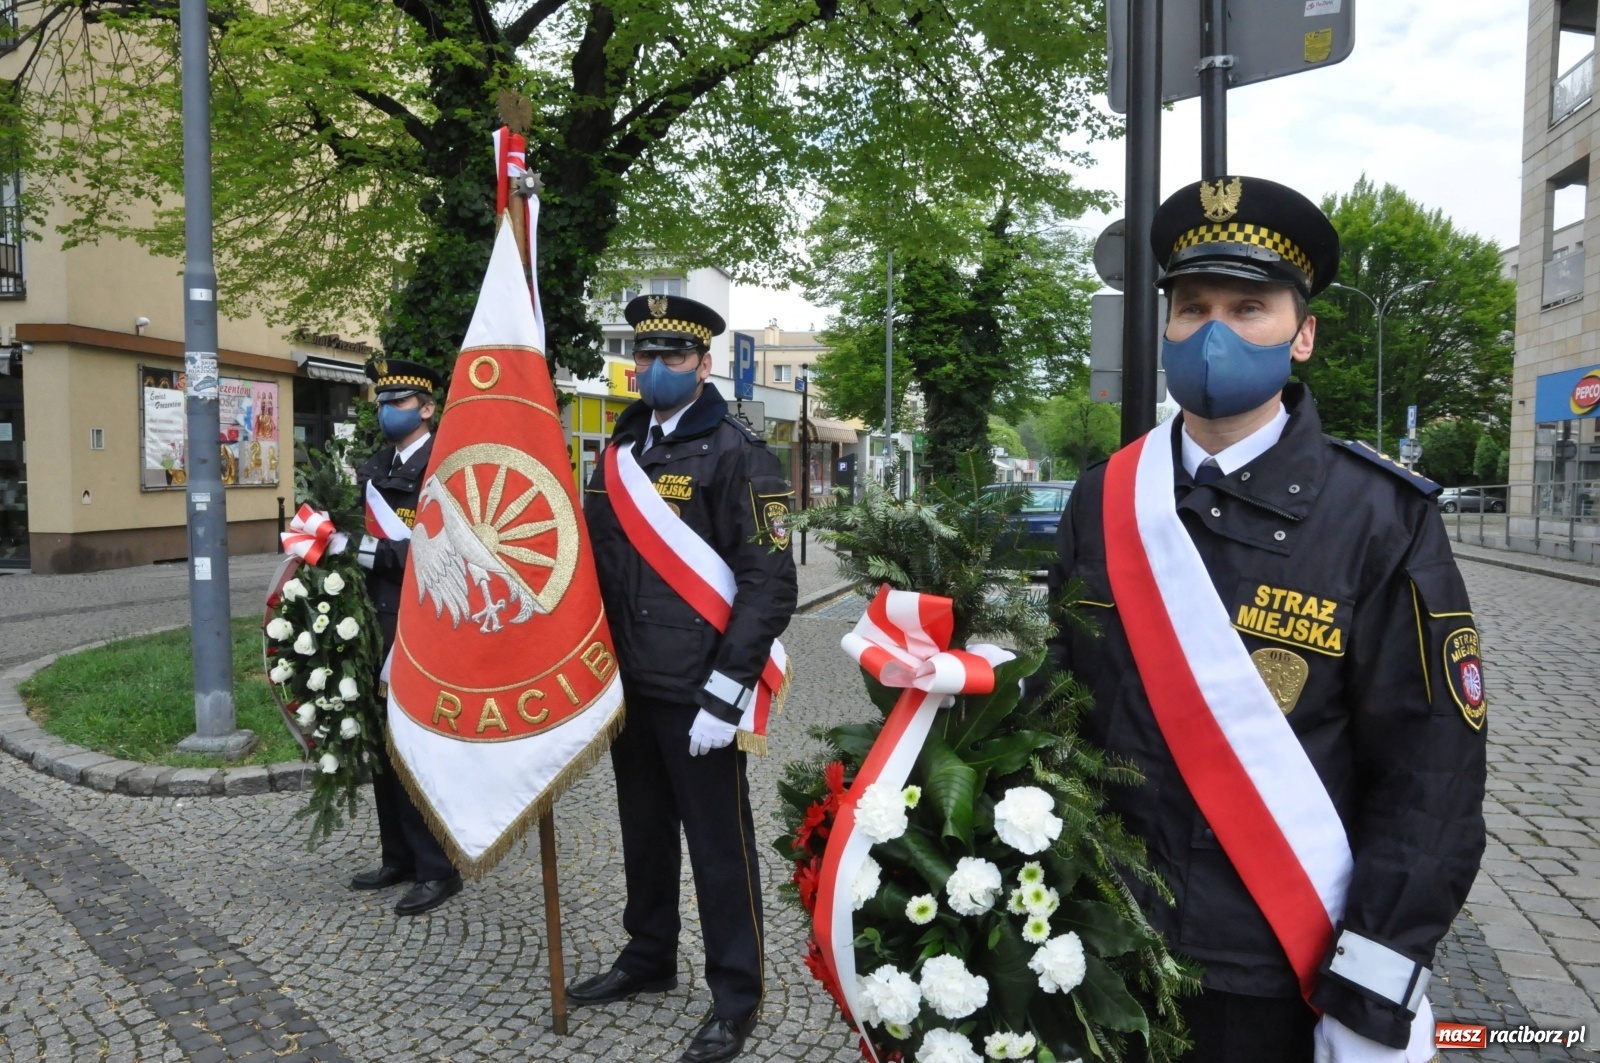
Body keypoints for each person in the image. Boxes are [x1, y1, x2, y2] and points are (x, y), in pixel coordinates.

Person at [1041, 177, 1486, 1062]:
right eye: (1192, 305)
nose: (1215, 330)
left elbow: (1431, 775)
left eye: (1250, 307)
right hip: (1100, 940)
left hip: (1268, 970)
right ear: (1164, 328)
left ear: (1303, 333)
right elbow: (1063, 694)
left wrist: (1374, 982)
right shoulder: (1104, 498)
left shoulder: (1381, 518)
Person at [575, 295, 799, 1063]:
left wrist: (728, 692)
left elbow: (770, 582)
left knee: (718, 848)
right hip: (629, 684)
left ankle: (736, 994)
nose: (656, 369)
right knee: (642, 834)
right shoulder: (622, 446)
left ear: (704, 364)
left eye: (674, 356)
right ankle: (648, 955)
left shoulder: (739, 452)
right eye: (646, 356)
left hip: (699, 693)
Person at [350, 356, 464, 917]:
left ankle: (437, 868)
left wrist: (364, 551)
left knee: (418, 751)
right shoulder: (374, 466)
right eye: (382, 402)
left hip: (423, 624)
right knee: (382, 748)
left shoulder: (443, 467)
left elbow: (442, 551)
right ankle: (396, 853)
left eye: (399, 402)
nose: (388, 410)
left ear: (427, 408)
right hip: (374, 620)